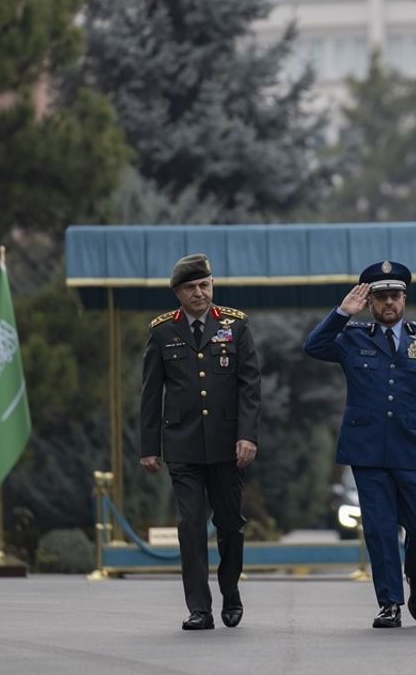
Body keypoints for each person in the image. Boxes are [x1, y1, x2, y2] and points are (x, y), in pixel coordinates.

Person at [303, 260, 416, 629]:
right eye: (381, 296)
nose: (389, 303)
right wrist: (341, 313)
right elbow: (314, 346)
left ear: (405, 299)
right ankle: (389, 603)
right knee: (380, 528)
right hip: (368, 450)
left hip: (415, 448)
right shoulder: (352, 337)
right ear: (370, 301)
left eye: (395, 296)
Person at [139, 254, 261, 631]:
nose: (200, 293)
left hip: (228, 444)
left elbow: (250, 387)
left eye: (205, 285)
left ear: (213, 285)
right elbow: (150, 391)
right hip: (183, 444)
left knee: (230, 525)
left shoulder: (235, 326)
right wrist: (149, 446)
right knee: (190, 525)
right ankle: (199, 608)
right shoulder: (162, 331)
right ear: (178, 292)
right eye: (191, 287)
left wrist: (247, 435)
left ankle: (231, 592)